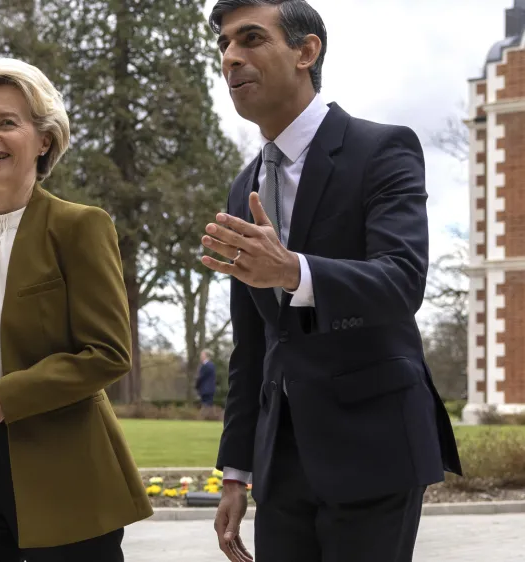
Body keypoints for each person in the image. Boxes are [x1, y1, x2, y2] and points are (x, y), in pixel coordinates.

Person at [199, 1, 462, 561]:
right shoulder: (242, 187)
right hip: (281, 459)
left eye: (249, 39)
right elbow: (253, 343)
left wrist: (293, 270)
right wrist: (236, 472)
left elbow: (402, 280)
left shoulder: (382, 149)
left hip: (374, 444)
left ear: (306, 51)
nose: (231, 58)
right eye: (223, 44)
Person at [0, 56, 153, 561]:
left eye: (7, 122)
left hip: (64, 465)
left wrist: (6, 396)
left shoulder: (80, 226)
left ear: (43, 139)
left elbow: (107, 353)